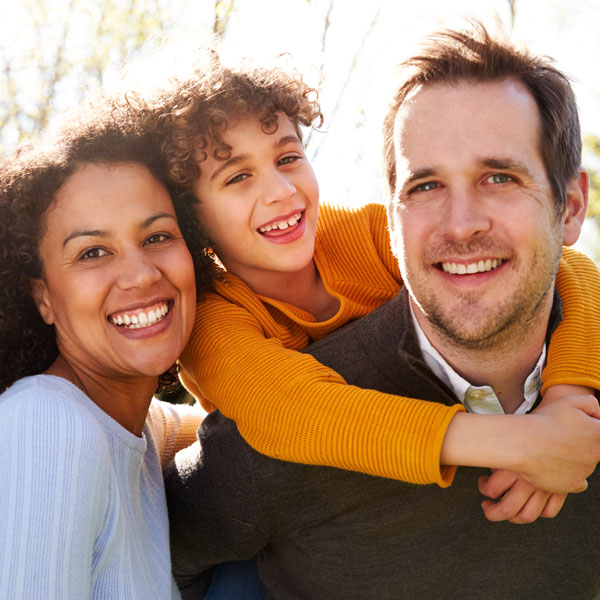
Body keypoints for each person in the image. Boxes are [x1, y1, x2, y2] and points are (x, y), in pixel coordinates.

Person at [164, 23, 600, 599]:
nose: (280, 192)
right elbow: (291, 412)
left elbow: (572, 269)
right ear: (192, 220)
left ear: (570, 206)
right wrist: (519, 443)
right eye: (238, 176)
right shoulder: (214, 322)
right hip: (268, 534)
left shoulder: (364, 234)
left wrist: (573, 395)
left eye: (288, 157)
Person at [0, 103, 216, 598]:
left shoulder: (135, 428)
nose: (141, 274)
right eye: (92, 252)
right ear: (42, 297)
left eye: (158, 236)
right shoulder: (46, 424)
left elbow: (239, 421)